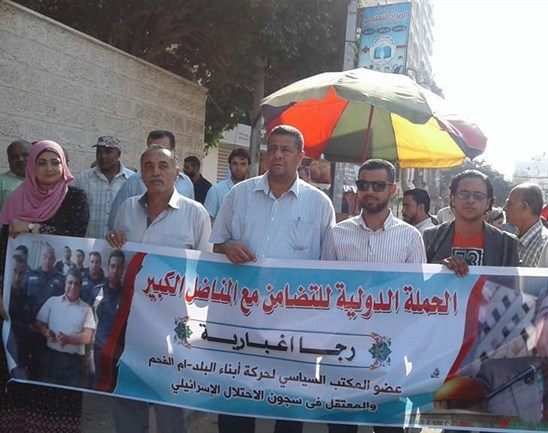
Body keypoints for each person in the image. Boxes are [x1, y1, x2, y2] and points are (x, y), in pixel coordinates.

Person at [211, 125, 335, 433]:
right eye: (273, 148)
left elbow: (328, 265)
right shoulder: (239, 195)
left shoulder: (319, 204)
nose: (278, 155)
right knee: (235, 402)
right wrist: (228, 246)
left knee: (289, 407)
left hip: (294, 324)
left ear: (301, 157)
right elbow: (216, 244)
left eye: (286, 150)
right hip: (241, 318)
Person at [106, 145, 212, 433]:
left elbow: (206, 272)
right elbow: (117, 257)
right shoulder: (127, 209)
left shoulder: (195, 214)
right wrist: (112, 240)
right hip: (129, 322)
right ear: (140, 174)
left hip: (173, 326)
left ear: (177, 173)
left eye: (163, 166)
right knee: (128, 399)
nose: (156, 172)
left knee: (170, 405)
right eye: (149, 166)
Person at [322, 159, 426, 433]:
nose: (369, 191)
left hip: (389, 353)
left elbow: (417, 298)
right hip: (342, 351)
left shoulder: (410, 237)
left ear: (392, 190)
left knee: (388, 428)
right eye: (363, 185)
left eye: (378, 186)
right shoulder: (336, 234)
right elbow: (325, 291)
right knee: (341, 428)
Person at [0, 139, 89, 433]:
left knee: (55, 371)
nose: (49, 168)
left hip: (61, 302)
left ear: (64, 165)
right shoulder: (17, 199)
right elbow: (3, 249)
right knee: (18, 370)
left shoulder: (75, 197)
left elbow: (74, 234)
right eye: (41, 162)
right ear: (31, 167)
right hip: (19, 305)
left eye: (55, 162)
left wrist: (31, 227)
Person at [423, 170, 519, 277]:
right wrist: (439, 268)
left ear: (488, 203)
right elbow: (419, 279)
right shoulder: (431, 238)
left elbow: (511, 285)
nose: (471, 200)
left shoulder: (507, 243)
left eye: (478, 196)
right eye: (464, 194)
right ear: (452, 199)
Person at [108, 130, 194, 229]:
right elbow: (115, 221)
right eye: (152, 149)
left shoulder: (186, 183)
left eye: (162, 149)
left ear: (173, 151)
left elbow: (190, 219)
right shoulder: (133, 182)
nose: (157, 154)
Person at [35, 268, 95, 386]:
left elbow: (87, 337)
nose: (73, 287)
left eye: (76, 284)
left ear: (80, 287)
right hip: (51, 358)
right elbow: (38, 324)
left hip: (73, 363)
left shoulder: (87, 309)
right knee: (48, 392)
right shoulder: (52, 302)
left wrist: (68, 339)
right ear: (65, 284)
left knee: (70, 395)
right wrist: (46, 332)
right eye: (70, 283)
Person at [72, 135, 134, 239]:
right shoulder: (84, 178)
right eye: (99, 152)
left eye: (108, 152)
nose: (103, 156)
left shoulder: (131, 180)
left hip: (121, 244)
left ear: (118, 154)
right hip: (89, 244)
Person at [93, 249, 125, 391]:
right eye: (112, 266)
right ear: (107, 268)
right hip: (95, 353)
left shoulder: (127, 297)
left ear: (123, 270)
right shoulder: (96, 291)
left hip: (116, 354)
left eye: (119, 267)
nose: (115, 271)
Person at [503, 182, 548, 267]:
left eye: (509, 203)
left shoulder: (544, 245)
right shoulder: (512, 239)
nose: (504, 208)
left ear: (524, 206)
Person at [204, 147, 250, 219]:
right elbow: (207, 220)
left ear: (248, 166)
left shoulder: (253, 191)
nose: (239, 168)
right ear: (230, 166)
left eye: (243, 164)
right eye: (235, 164)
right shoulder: (216, 191)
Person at [0, 139, 32, 210]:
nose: (20, 159)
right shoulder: (2, 182)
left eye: (25, 155)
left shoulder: (42, 181)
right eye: (14, 157)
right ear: (9, 161)